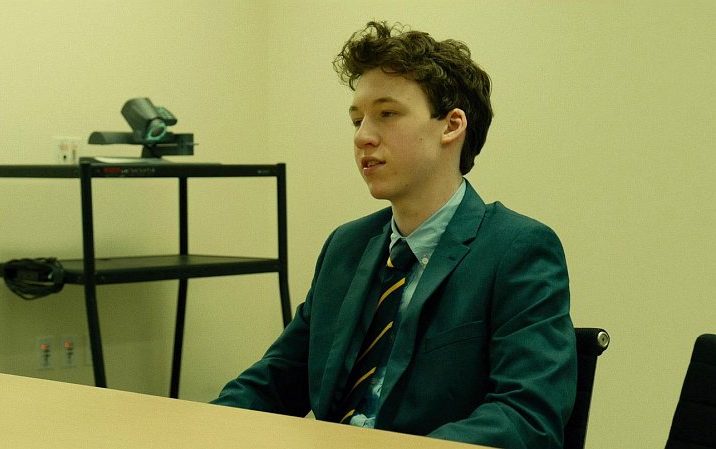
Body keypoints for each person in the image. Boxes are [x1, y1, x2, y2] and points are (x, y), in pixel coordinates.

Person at [212, 21, 577, 449]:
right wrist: (196, 427)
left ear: (451, 126)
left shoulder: (517, 250)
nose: (363, 137)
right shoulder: (346, 247)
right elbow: (274, 382)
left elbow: (526, 416)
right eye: (356, 120)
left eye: (387, 114)